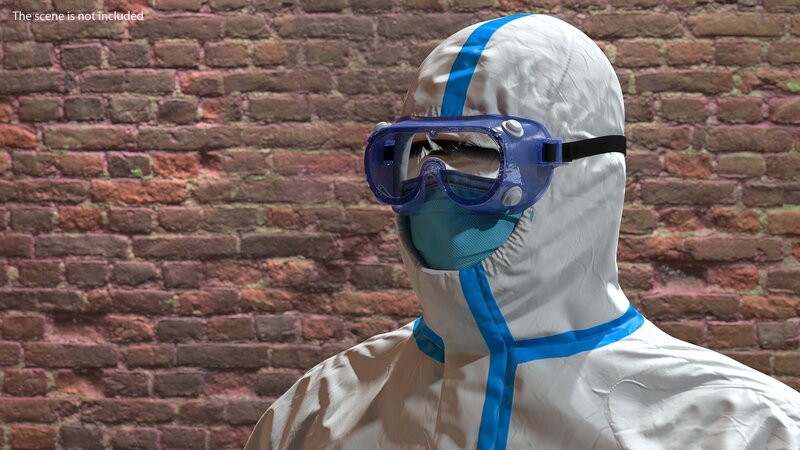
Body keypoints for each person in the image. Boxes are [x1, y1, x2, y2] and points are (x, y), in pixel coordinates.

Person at [244, 14, 800, 449]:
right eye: (417, 154)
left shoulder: (742, 429)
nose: (436, 184)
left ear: (587, 176)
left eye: (475, 155)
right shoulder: (318, 410)